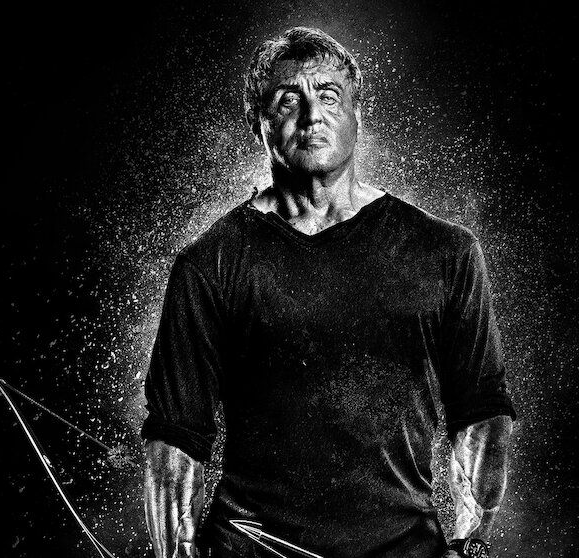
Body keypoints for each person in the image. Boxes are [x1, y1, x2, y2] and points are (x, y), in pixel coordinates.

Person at [141, 27, 516, 558]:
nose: (312, 114)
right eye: (287, 99)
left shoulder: (446, 252)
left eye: (329, 95)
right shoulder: (210, 264)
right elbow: (176, 438)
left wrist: (468, 545)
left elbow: (480, 413)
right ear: (258, 123)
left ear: (358, 114)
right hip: (250, 549)